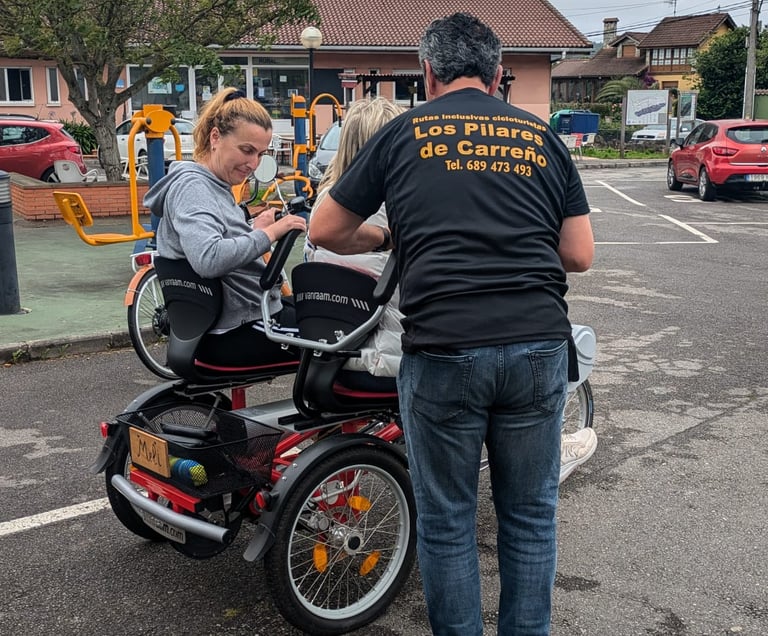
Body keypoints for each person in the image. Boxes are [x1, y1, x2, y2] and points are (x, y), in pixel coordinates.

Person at [309, 12, 595, 636]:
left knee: (447, 521)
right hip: (538, 342)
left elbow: (325, 229)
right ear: (498, 75)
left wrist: (389, 236)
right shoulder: (542, 137)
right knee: (530, 516)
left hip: (444, 346)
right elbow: (579, 254)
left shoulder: (402, 133)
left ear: (428, 74)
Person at [144, 87, 306, 369]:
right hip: (238, 329)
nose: (253, 164)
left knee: (326, 314)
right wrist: (269, 234)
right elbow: (209, 258)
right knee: (341, 338)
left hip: (247, 318)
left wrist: (255, 229)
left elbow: (220, 243)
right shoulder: (194, 187)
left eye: (261, 154)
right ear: (215, 137)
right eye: (247, 150)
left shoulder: (216, 187)